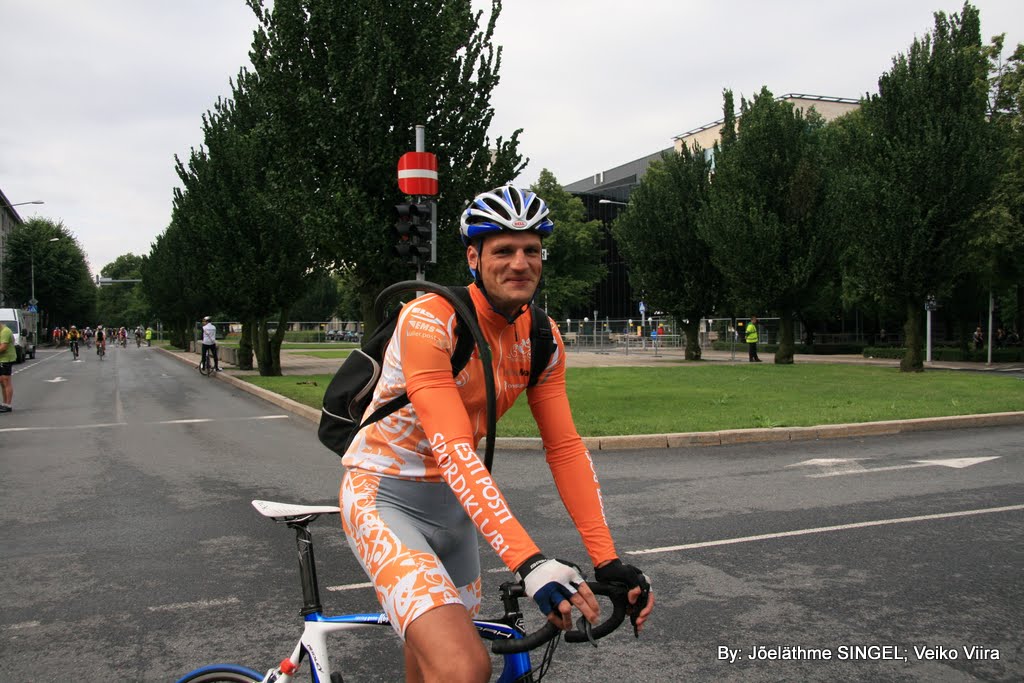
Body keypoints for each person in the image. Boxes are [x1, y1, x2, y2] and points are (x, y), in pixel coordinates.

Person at [339, 186, 653, 683]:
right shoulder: (429, 319)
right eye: (503, 250)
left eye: (531, 250)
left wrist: (607, 558)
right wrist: (530, 564)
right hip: (385, 498)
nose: (519, 263)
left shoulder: (542, 337)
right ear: (473, 257)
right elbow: (452, 448)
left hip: (455, 514)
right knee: (465, 667)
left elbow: (566, 449)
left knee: (435, 663)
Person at [0, 318, 16, 412]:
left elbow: (3, 347)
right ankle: (4, 403)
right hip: (1, 359)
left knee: (6, 381)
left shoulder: (5, 331)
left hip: (6, 359)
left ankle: (8, 405)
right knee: (2, 382)